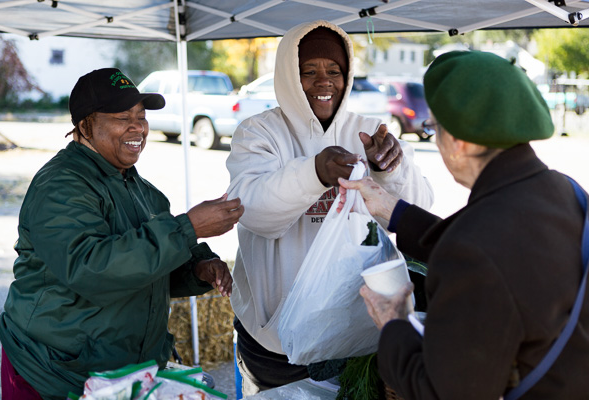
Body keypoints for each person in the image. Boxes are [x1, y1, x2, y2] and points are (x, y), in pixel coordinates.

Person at [339, 50, 589, 399]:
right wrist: (395, 211)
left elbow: (440, 391)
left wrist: (394, 325)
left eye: (434, 128)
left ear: (459, 142)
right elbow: (500, 251)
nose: (436, 140)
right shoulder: (564, 190)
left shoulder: (475, 248)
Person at [0, 68, 244, 400]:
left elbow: (144, 268)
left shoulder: (141, 189)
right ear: (85, 126)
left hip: (121, 371)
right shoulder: (60, 186)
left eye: (141, 116)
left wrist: (197, 268)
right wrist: (188, 228)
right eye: (121, 117)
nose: (137, 127)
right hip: (54, 371)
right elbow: (91, 268)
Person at [226, 20, 434, 394]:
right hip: (275, 341)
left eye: (335, 71)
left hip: (352, 330)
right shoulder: (258, 133)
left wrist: (390, 171)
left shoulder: (369, 130)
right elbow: (253, 211)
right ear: (289, 76)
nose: (324, 82)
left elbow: (418, 211)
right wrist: (315, 172)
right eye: (309, 72)